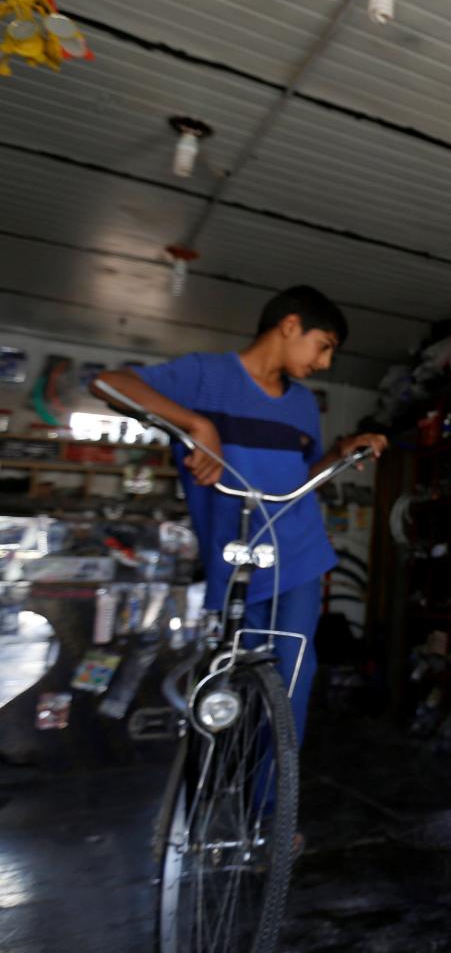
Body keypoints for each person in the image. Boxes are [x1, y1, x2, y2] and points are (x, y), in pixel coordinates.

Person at [91, 285, 387, 744]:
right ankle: (223, 785)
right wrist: (197, 424)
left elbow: (299, 475)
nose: (325, 363)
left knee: (291, 679)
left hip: (299, 553)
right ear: (291, 326)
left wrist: (342, 452)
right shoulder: (203, 375)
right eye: (324, 346)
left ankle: (270, 809)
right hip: (233, 560)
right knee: (231, 683)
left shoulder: (303, 403)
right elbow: (108, 383)